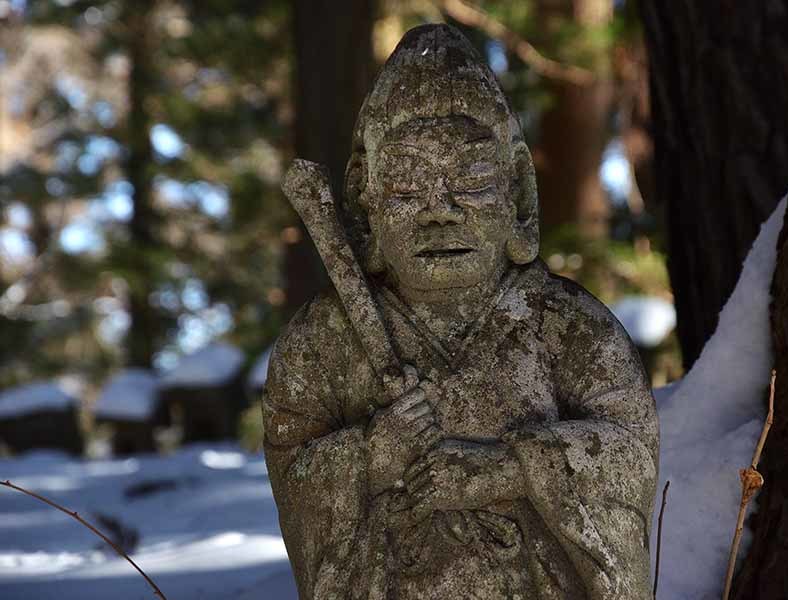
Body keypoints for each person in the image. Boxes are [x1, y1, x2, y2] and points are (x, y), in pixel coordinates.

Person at [264, 24, 658, 600]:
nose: (440, 213)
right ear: (364, 200)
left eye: (470, 182)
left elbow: (631, 451)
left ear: (517, 194)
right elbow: (292, 469)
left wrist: (508, 469)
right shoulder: (321, 343)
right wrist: (372, 455)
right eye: (406, 188)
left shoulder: (569, 326)